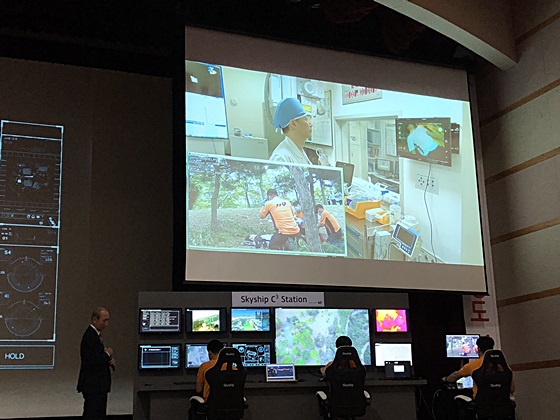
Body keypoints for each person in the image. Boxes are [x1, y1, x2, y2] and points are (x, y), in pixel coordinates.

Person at [442, 336, 515, 399]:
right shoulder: (504, 366)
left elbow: (455, 376)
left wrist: (446, 379)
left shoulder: (473, 365)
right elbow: (512, 389)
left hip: (482, 406)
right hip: (503, 406)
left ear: (478, 349)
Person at [77, 307, 116, 419]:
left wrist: (108, 360)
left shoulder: (95, 335)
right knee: (93, 414)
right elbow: (93, 361)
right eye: (104, 320)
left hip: (98, 385)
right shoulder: (90, 336)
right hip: (93, 385)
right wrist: (107, 354)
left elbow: (97, 357)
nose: (106, 324)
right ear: (94, 319)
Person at [270, 98, 313, 164]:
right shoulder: (280, 158)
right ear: (293, 123)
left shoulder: (299, 150)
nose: (310, 124)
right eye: (306, 119)